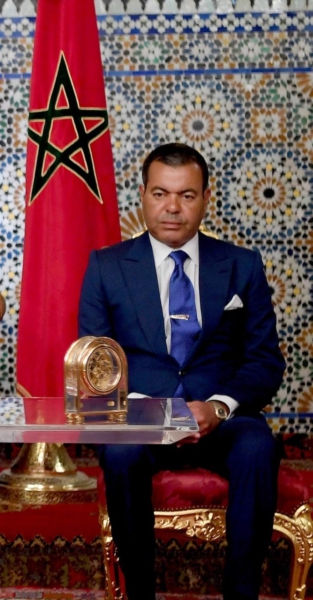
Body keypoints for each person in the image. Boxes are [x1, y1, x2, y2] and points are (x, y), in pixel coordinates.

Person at [78, 143, 285, 600]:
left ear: (206, 198)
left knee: (258, 446)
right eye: (160, 193)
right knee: (120, 453)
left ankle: (242, 594)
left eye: (186, 195)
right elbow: (96, 367)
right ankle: (140, 594)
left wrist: (218, 407)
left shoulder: (242, 265)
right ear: (143, 195)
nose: (172, 207)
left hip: (222, 420)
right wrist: (152, 413)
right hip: (141, 420)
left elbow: (265, 360)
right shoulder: (106, 267)